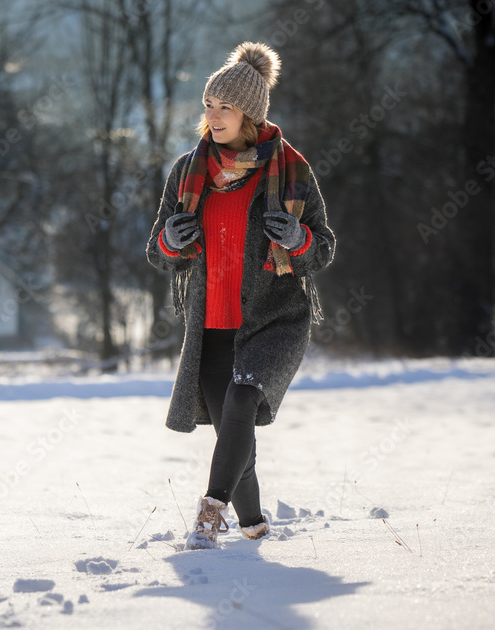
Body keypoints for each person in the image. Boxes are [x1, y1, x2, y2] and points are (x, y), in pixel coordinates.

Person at [145, 41, 336, 549]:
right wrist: (172, 240)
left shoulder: (293, 171)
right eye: (208, 104)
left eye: (224, 106)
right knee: (234, 434)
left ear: (249, 112)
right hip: (211, 323)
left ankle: (209, 517)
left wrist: (299, 240)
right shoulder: (188, 171)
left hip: (275, 319)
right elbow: (157, 251)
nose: (212, 115)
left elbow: (324, 248)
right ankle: (253, 525)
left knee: (243, 399)